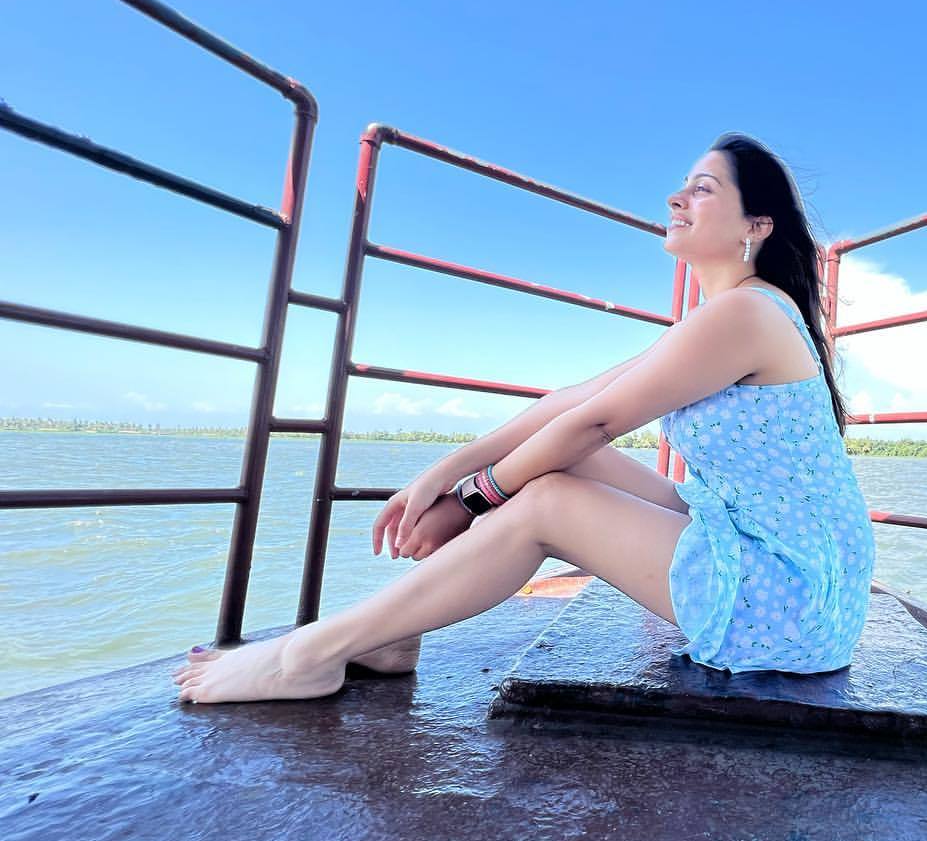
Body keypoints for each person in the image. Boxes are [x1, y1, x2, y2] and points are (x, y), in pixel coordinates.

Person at [172, 132, 875, 703]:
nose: (676, 197)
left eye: (703, 188)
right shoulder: (728, 315)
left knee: (547, 500)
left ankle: (309, 656)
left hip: (791, 599)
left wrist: (472, 501)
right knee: (562, 461)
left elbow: (595, 422)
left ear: (756, 225)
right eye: (683, 185)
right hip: (764, 548)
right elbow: (569, 404)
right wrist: (446, 474)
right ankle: (393, 634)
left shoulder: (744, 314)